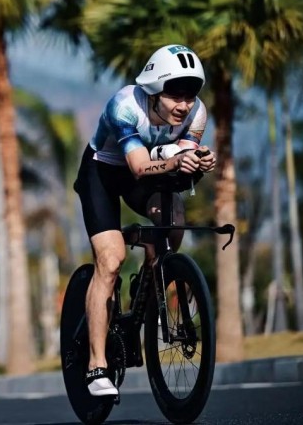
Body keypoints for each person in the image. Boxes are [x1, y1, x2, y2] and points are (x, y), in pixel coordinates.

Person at [73, 44, 216, 397]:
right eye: (174, 96)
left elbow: (183, 155)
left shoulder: (197, 113)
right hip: (103, 173)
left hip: (150, 173)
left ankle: (148, 283)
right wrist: (176, 161)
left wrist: (199, 159)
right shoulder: (124, 106)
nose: (184, 105)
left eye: (189, 96)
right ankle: (96, 365)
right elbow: (138, 167)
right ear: (153, 91)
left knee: (173, 228)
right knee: (111, 260)